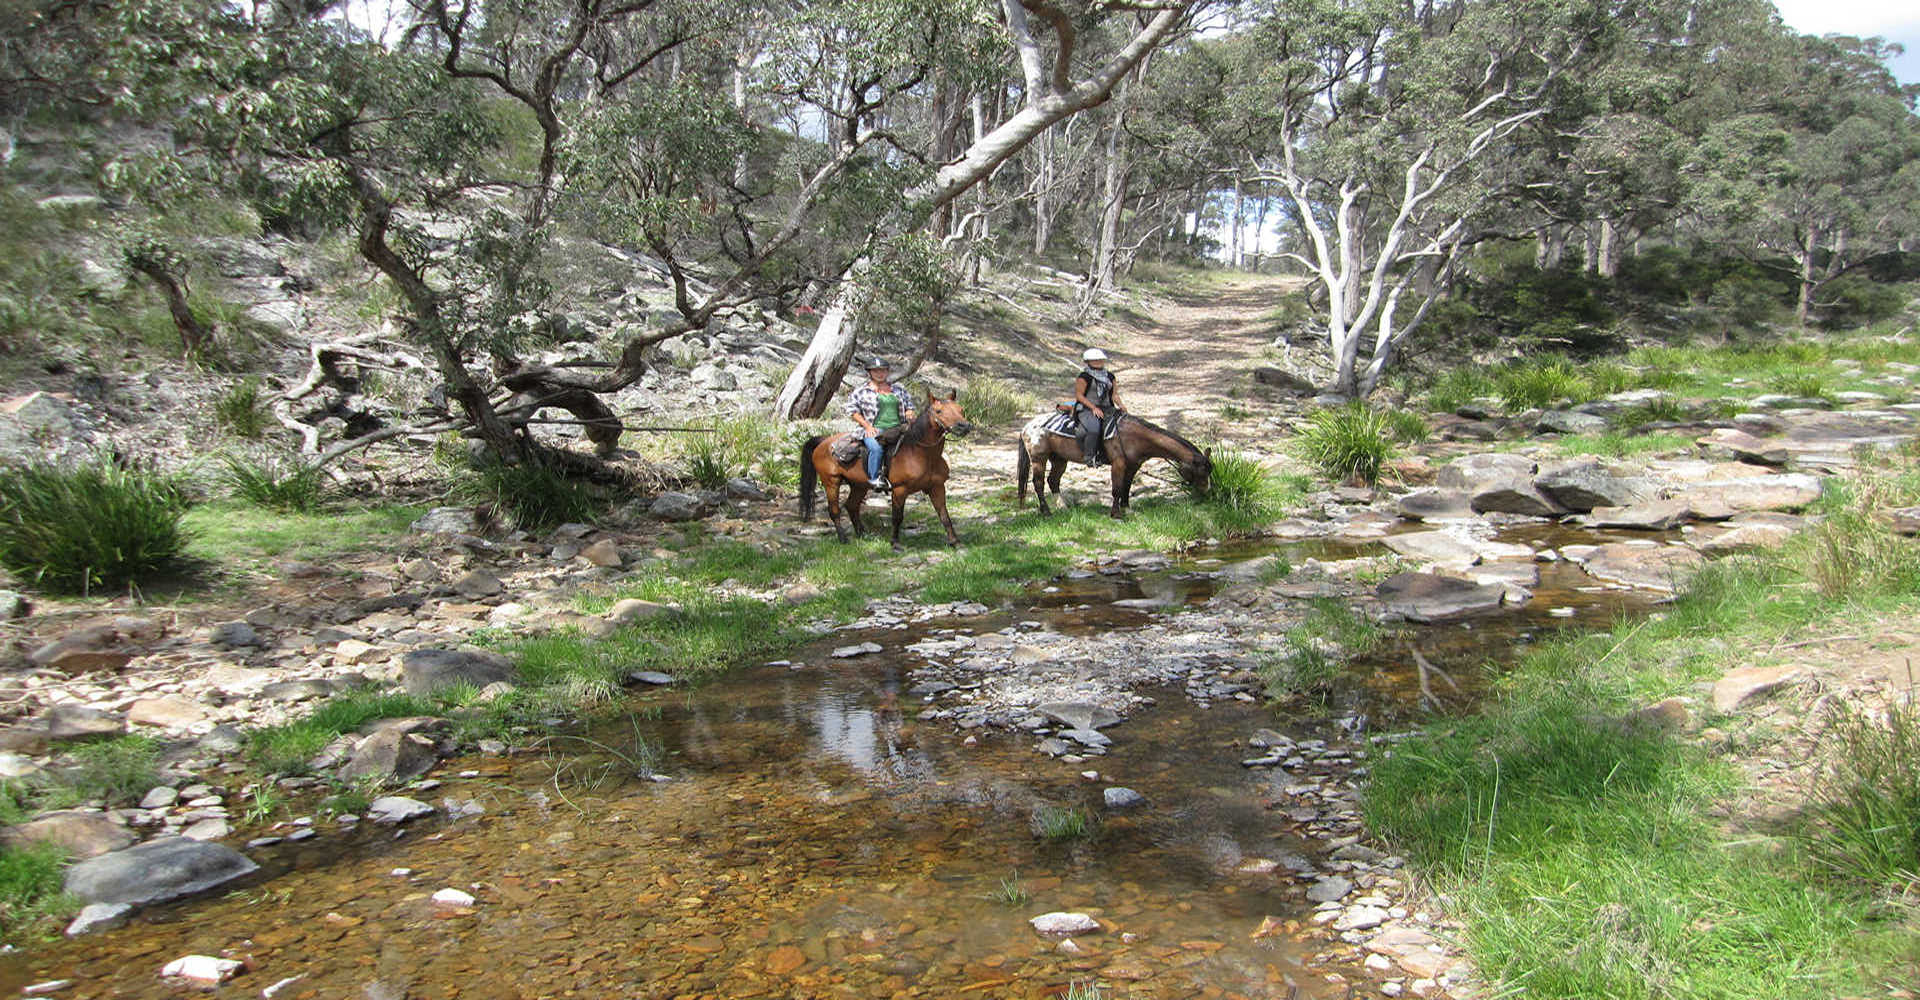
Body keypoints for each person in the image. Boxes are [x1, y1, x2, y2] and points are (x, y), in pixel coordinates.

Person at [845, 357, 914, 491]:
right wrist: (867, 426)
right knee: (876, 449)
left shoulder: (898, 389)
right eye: (876, 371)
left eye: (882, 370)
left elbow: (909, 404)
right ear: (869, 373)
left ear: (887, 372)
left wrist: (910, 411)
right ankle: (874, 478)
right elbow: (852, 410)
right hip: (874, 429)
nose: (880, 373)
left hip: (900, 427)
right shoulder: (861, 391)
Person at [1072, 347, 1123, 465]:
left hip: (1107, 408)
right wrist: (1093, 408)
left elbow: (1114, 394)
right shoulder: (1084, 377)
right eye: (1094, 360)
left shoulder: (1110, 376)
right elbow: (1079, 395)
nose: (1098, 362)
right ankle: (1090, 457)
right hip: (1087, 408)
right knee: (1094, 429)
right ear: (1088, 362)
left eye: (1100, 360)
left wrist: (1121, 405)